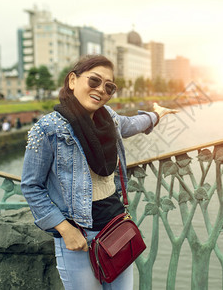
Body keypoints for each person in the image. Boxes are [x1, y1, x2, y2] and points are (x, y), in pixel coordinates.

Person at [20, 55, 178, 290]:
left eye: (109, 86)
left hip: (115, 227)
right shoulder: (48, 129)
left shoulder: (109, 119)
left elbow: (133, 124)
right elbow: (31, 186)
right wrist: (65, 229)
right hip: (78, 236)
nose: (101, 90)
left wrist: (156, 115)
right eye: (94, 81)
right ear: (72, 80)